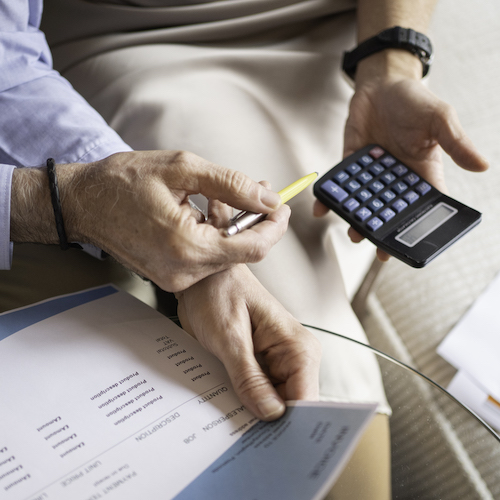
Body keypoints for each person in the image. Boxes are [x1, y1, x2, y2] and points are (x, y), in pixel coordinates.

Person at [0, 0, 488, 497]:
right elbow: (7, 66)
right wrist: (87, 199)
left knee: (306, 357)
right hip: (147, 40)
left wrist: (390, 57)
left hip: (343, 37)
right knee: (316, 357)